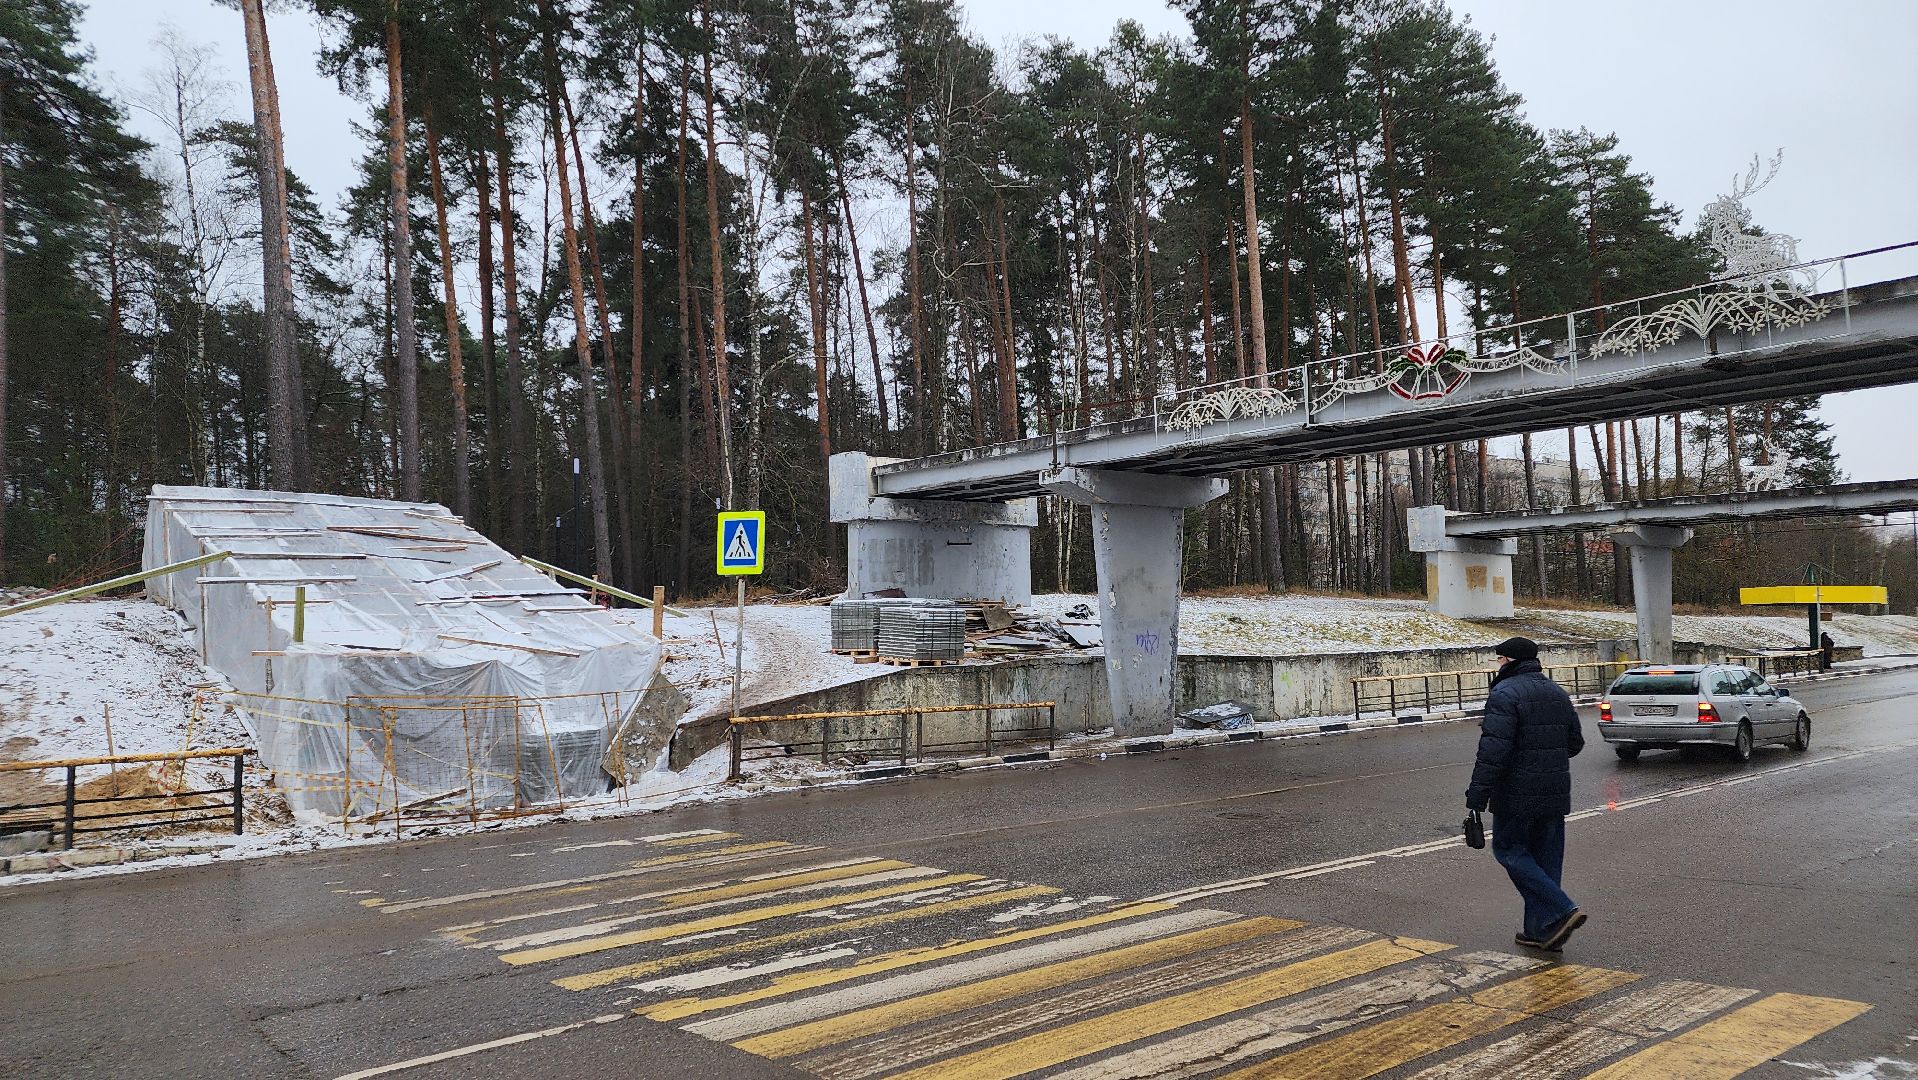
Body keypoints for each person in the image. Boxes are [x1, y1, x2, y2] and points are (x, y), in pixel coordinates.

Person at [1466, 636, 1587, 951]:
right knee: (1547, 861)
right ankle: (1540, 932)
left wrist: (1476, 798)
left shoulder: (1504, 694)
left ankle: (1562, 908)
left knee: (1509, 850)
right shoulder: (1557, 692)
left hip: (1517, 795)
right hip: (1555, 793)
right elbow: (1575, 744)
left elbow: (1493, 753)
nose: (1498, 664)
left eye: (1500, 659)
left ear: (1509, 661)